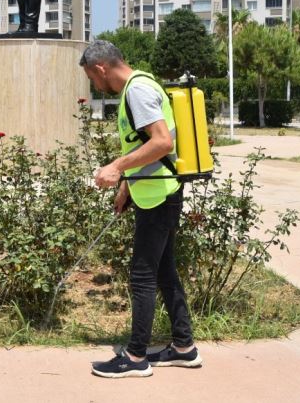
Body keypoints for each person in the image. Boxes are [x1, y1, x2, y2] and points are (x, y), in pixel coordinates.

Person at [79, 40, 201, 378]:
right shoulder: (138, 86)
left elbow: (162, 142)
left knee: (143, 275)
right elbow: (144, 146)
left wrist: (117, 166)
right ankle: (183, 347)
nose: (94, 83)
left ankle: (135, 358)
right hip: (153, 191)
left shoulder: (137, 90)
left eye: (92, 76)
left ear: (101, 68)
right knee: (164, 272)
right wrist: (126, 184)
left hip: (159, 196)